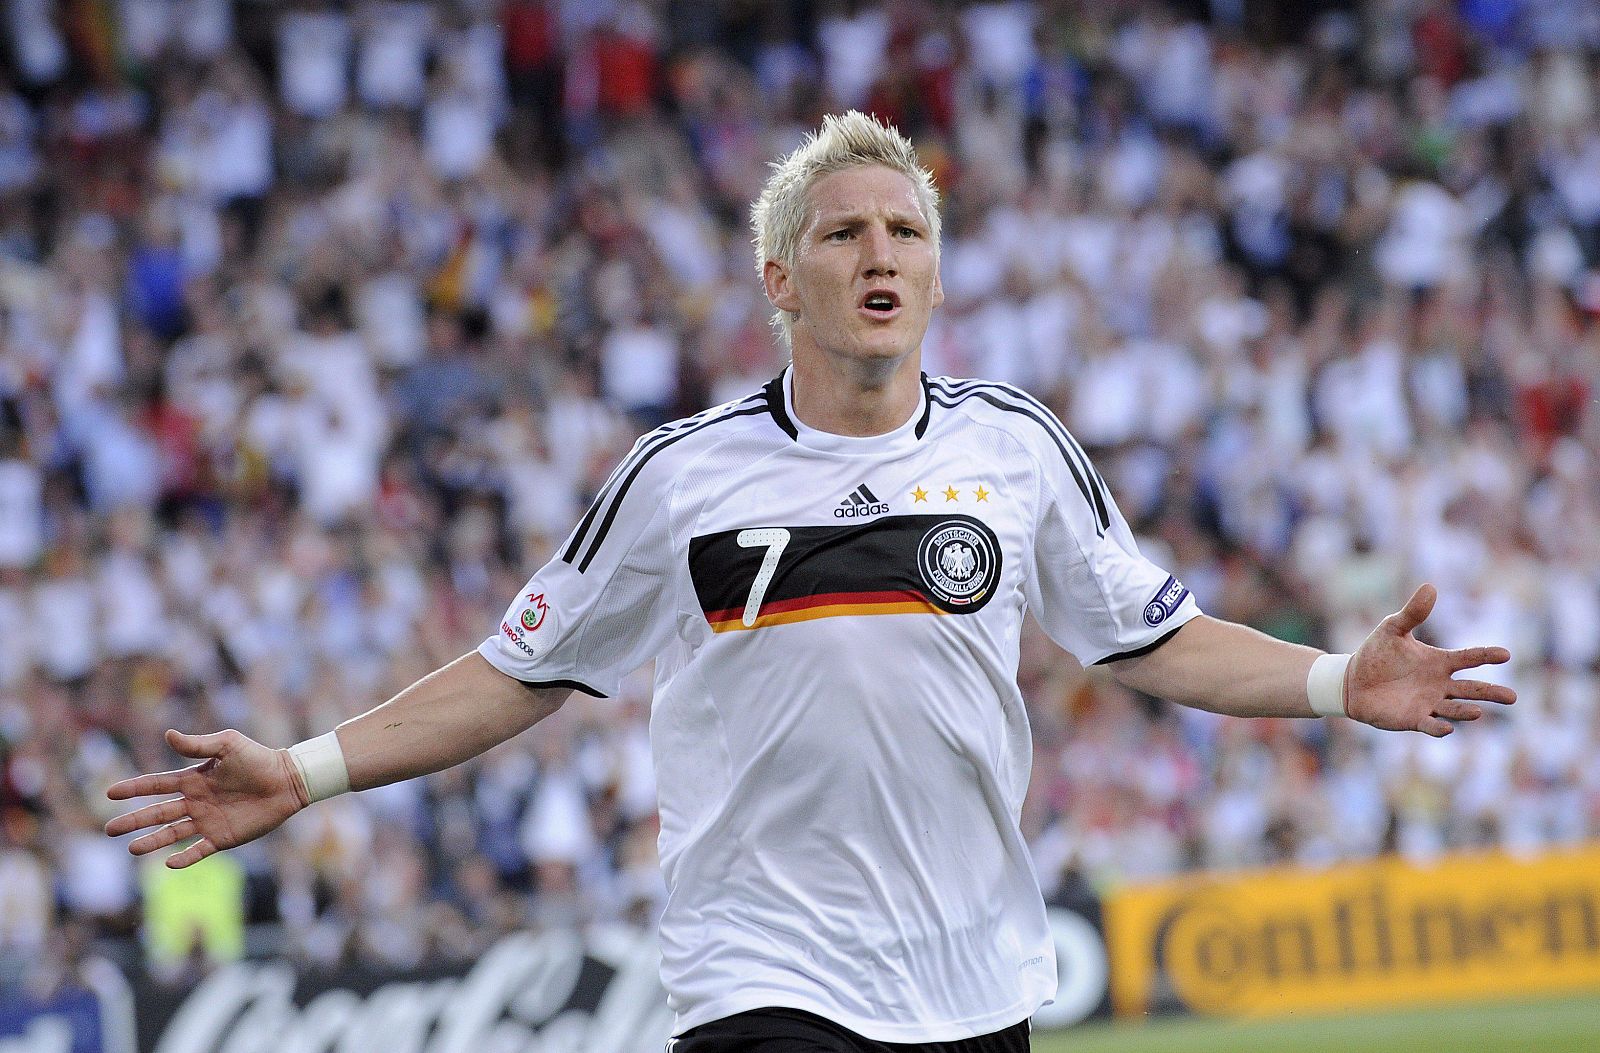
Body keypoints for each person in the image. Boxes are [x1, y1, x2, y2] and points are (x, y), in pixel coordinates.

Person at [106, 112, 1516, 1053]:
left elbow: (1151, 639)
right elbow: (515, 670)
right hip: (761, 973)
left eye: (904, 231)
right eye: (844, 234)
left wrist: (1338, 679)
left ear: (938, 271)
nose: (881, 253)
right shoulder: (680, 476)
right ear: (781, 278)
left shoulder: (1014, 449)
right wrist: (306, 768)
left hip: (972, 978)